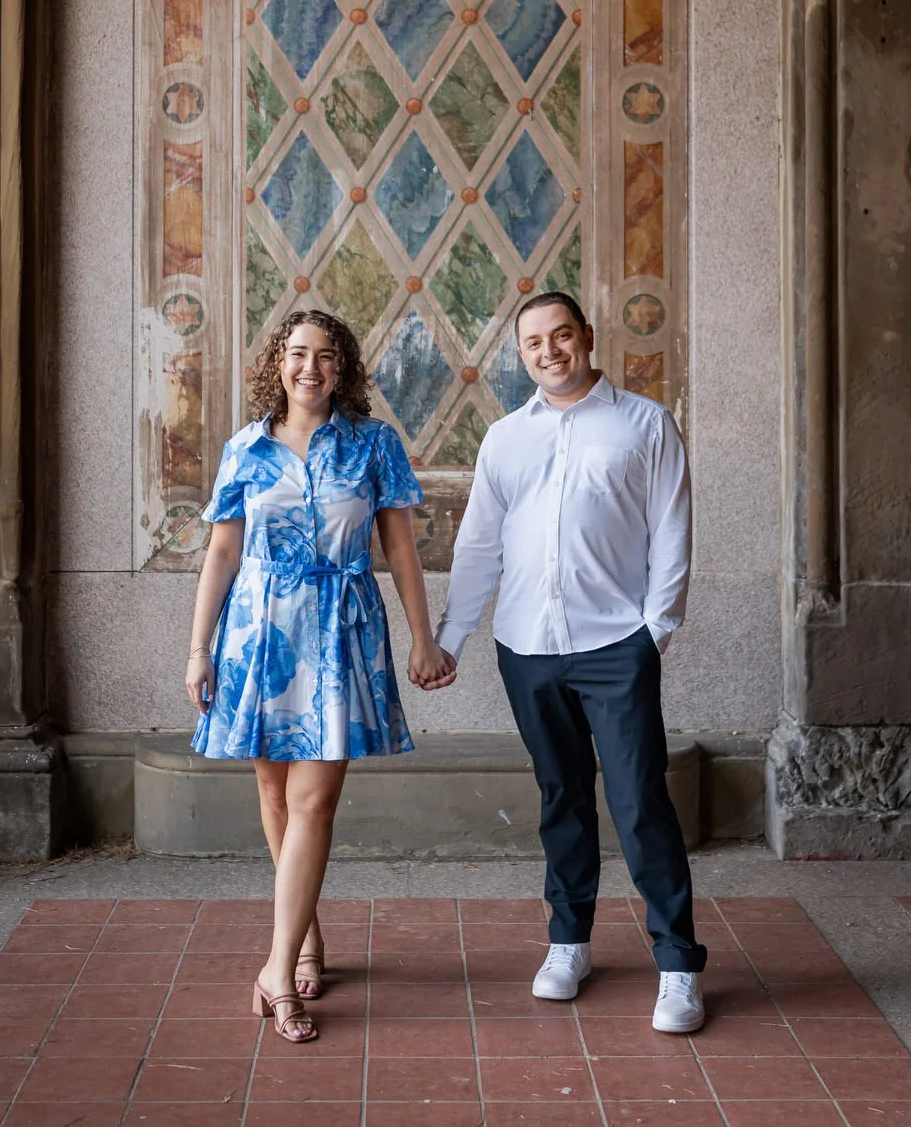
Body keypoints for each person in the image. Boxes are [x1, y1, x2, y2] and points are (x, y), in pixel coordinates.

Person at [436, 290, 706, 1032]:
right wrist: (451, 637)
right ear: (521, 354)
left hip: (616, 646)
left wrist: (655, 631)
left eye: (560, 335)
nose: (549, 351)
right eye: (533, 343)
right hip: (527, 648)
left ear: (586, 335)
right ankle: (569, 941)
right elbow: (479, 545)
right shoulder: (504, 439)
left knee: (640, 801)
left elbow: (672, 531)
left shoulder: (645, 423)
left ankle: (678, 965)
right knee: (561, 797)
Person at [185, 308, 456, 1044]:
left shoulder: (373, 444)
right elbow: (222, 553)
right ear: (278, 362)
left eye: (326, 355)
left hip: (340, 629)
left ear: (344, 368)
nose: (311, 367)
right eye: (298, 353)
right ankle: (303, 936)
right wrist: (198, 649)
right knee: (275, 794)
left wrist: (423, 638)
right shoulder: (246, 448)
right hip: (259, 634)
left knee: (315, 800)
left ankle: (276, 972)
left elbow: (400, 549)